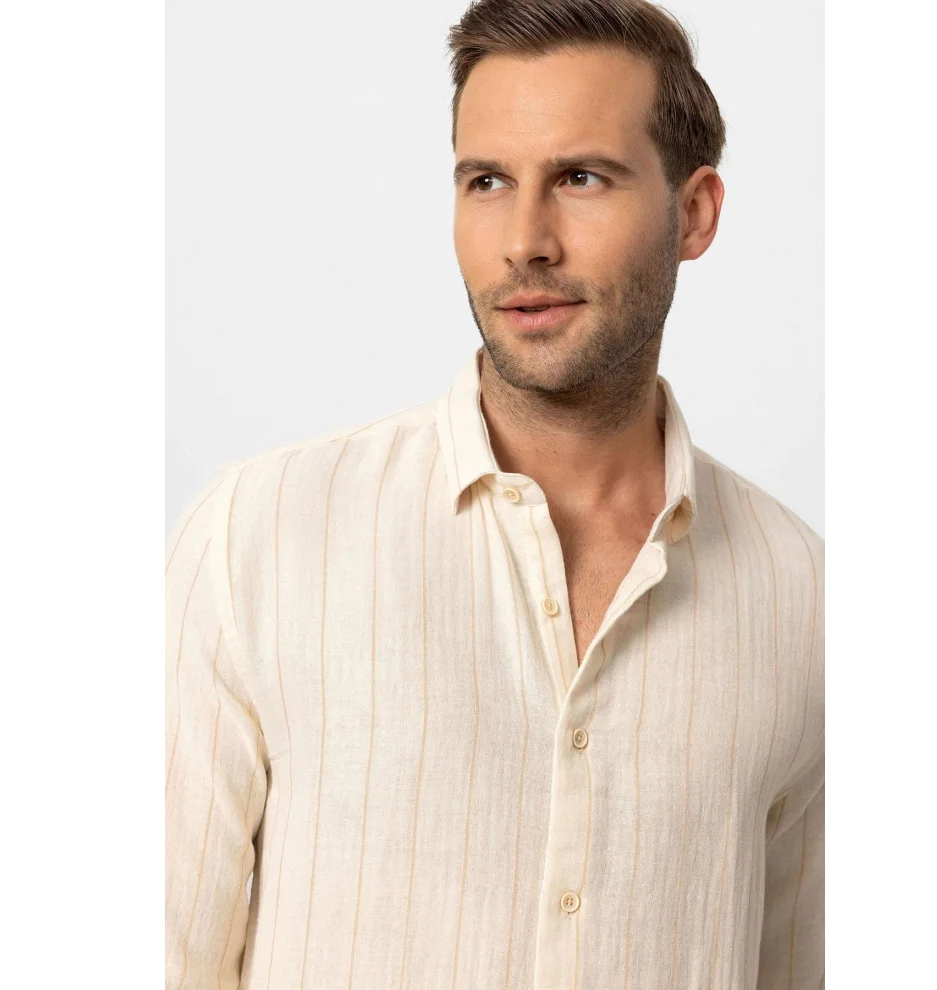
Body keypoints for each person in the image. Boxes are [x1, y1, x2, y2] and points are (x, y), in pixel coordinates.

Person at [165, 1, 824, 987]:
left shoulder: (806, 601)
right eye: (488, 181)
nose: (525, 241)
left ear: (694, 214)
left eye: (581, 178)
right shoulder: (256, 539)